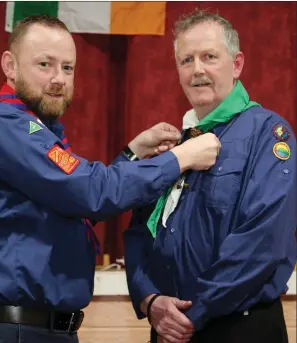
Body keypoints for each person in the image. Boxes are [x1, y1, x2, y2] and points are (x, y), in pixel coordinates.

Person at [0, 15, 221, 343]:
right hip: (14, 330)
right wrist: (182, 158)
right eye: (44, 64)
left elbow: (78, 207)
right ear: (10, 66)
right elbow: (92, 191)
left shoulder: (36, 131)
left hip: (40, 329)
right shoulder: (7, 128)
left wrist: (132, 153)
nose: (58, 79)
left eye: (68, 68)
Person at [124, 9, 296, 343]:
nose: (197, 69)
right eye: (186, 60)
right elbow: (138, 232)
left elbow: (261, 244)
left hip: (238, 328)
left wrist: (191, 315)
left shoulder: (268, 134)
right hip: (168, 330)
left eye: (209, 57)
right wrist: (151, 300)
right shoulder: (174, 146)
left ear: (237, 64)